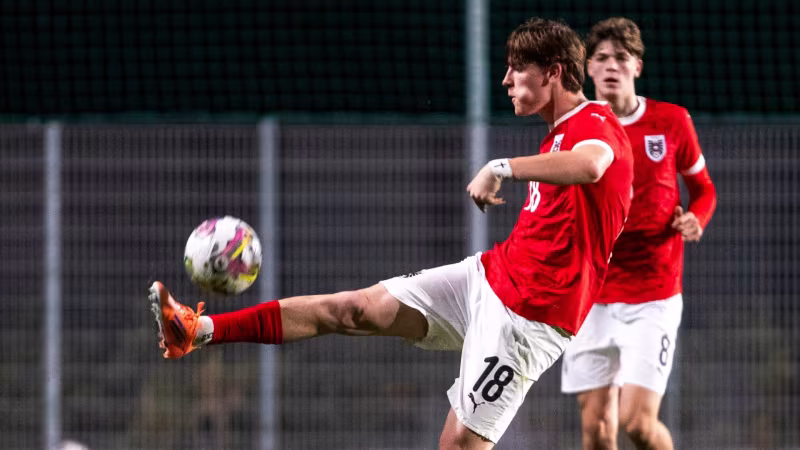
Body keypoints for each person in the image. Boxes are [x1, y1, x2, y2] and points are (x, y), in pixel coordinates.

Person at [150, 18, 633, 449]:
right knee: (351, 308)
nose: (506, 79)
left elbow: (593, 164)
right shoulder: (556, 134)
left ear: (552, 71)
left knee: (459, 446)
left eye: (516, 68)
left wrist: (500, 167)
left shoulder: (596, 122)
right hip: (488, 278)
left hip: (530, 320)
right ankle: (197, 331)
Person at [559, 17, 717, 450]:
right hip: (592, 295)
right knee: (596, 430)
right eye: (602, 58)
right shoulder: (577, 127)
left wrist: (696, 218)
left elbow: (703, 189)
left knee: (637, 425)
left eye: (621, 58)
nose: (612, 66)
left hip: (653, 293)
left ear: (637, 67)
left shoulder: (671, 121)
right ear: (588, 69)